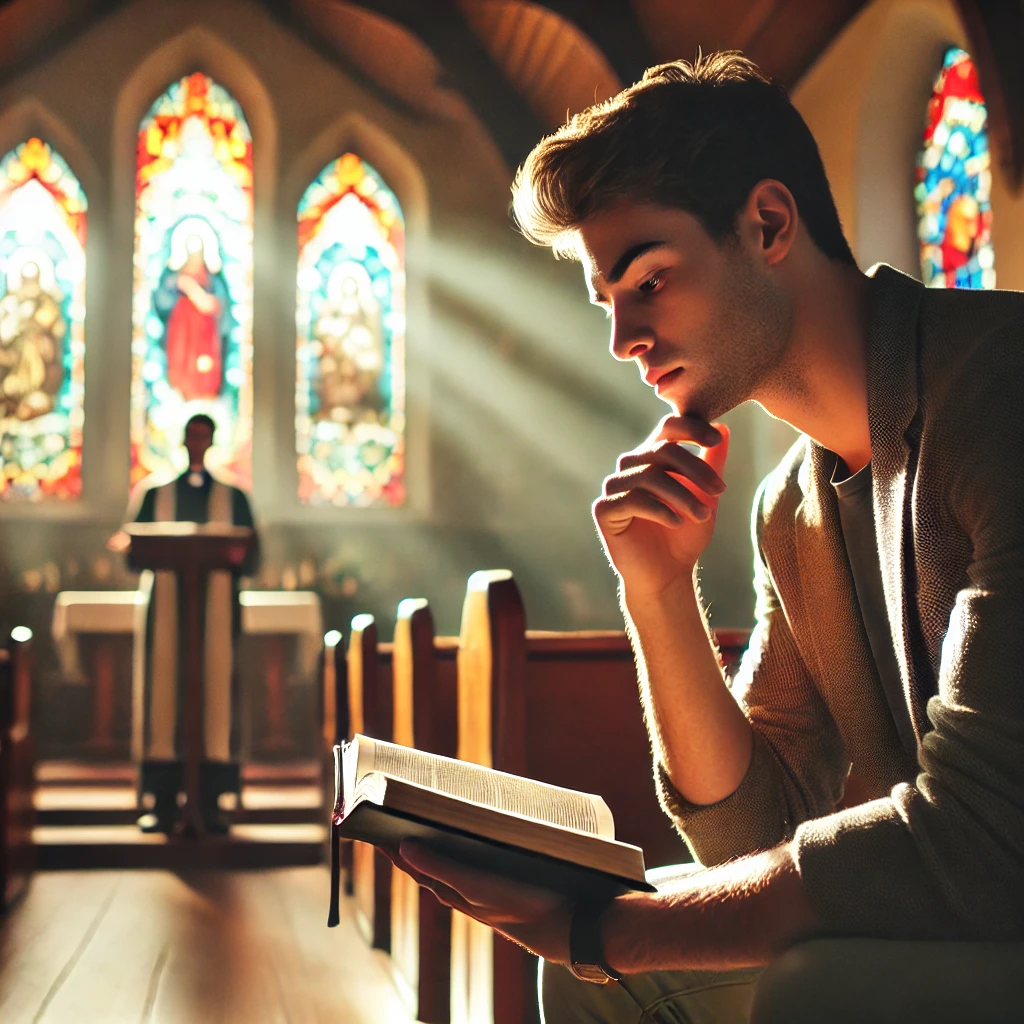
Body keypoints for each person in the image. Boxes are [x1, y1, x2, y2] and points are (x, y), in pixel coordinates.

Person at [388, 52, 1024, 1021]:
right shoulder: (789, 507)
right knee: (591, 983)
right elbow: (752, 832)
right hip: (972, 905)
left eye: (648, 280)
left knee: (800, 986)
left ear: (767, 224)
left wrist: (614, 928)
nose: (623, 339)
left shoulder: (999, 390)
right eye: (608, 303)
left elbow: (987, 836)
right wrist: (656, 592)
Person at [114, 413, 259, 834]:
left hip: (215, 610)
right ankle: (161, 800)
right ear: (183, 440)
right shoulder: (153, 493)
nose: (197, 441)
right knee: (162, 695)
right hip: (165, 609)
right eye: (191, 434)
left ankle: (211, 801)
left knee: (216, 694)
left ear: (212, 440)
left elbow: (251, 554)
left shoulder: (235, 497)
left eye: (204, 435)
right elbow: (132, 550)